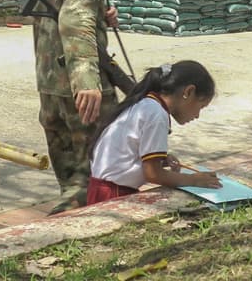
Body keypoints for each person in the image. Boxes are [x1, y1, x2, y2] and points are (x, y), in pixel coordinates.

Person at [27, 0, 134, 214]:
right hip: (82, 85)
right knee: (99, 181)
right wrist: (87, 80)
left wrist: (101, 12)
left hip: (50, 82)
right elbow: (75, 17)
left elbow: (57, 5)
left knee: (71, 181)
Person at [87, 60, 221, 205]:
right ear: (188, 92)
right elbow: (153, 174)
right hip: (113, 195)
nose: (197, 115)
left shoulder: (146, 104)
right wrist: (194, 180)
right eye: (200, 106)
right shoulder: (157, 114)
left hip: (101, 189)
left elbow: (127, 154)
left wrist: (161, 159)